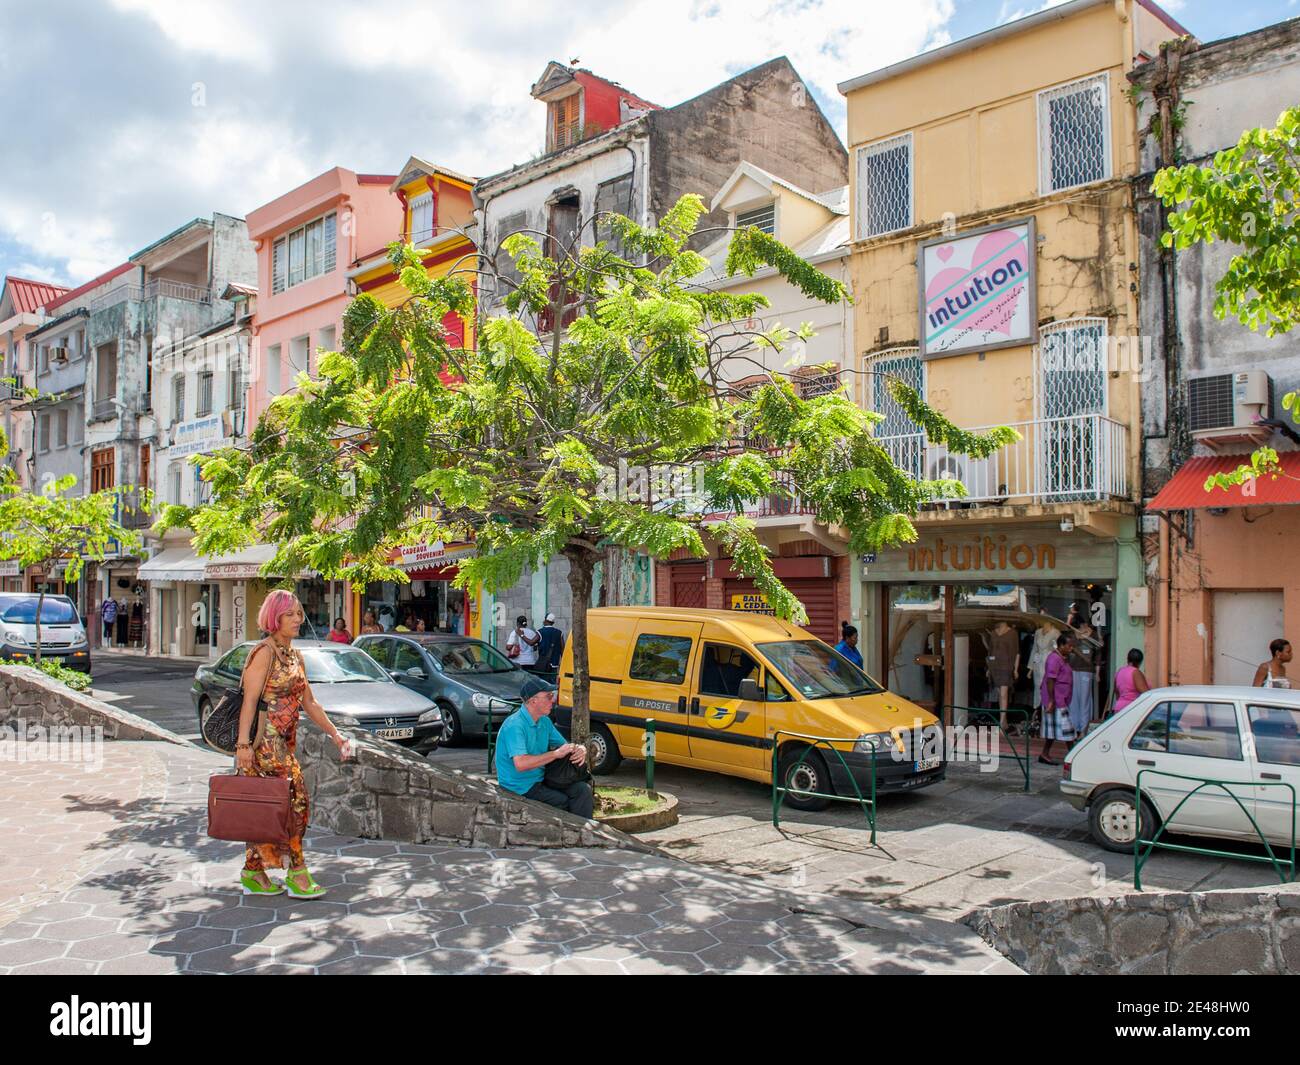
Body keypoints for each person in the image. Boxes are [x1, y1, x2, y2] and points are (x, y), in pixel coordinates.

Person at [235, 590, 349, 899]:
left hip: (286, 742)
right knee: (297, 803)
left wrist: (335, 734)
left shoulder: (295, 655)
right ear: (275, 618)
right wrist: (243, 746)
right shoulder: (264, 653)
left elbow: (309, 703)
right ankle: (297, 872)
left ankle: (253, 871)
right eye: (290, 614)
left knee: (271, 810)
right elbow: (249, 702)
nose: (298, 619)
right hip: (264, 746)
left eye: (299, 613)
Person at [494, 676, 592, 818]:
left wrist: (580, 749)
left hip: (542, 778)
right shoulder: (515, 725)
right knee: (562, 801)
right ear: (533, 701)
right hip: (520, 787)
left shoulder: (544, 721)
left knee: (583, 790)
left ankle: (586, 835)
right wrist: (554, 754)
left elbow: (565, 746)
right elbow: (521, 764)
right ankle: (573, 835)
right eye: (548, 696)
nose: (553, 700)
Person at [1039, 632, 1075, 766]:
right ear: (1061, 645)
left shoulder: (1063, 658)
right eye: (1069, 646)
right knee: (1067, 728)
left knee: (1052, 728)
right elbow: (1050, 680)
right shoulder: (1054, 659)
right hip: (1055, 699)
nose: (1071, 649)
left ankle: (1045, 753)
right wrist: (1051, 700)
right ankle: (1073, 754)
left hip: (1061, 698)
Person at [986, 619, 1020, 734]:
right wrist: (988, 668)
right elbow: (990, 651)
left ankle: (1001, 723)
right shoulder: (993, 633)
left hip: (1007, 667)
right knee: (1000, 695)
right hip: (995, 667)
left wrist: (1015, 669)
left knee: (1003, 693)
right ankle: (1004, 721)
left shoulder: (1013, 633)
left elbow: (1017, 652)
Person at [1067, 621, 1099, 736]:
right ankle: (1074, 728)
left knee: (1084, 700)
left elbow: (1098, 654)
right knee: (1074, 700)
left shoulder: (1093, 635)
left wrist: (1098, 672)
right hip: (1073, 669)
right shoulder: (1072, 635)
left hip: (1086, 670)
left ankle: (1084, 730)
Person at [1111, 648, 1150, 716]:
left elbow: (1117, 692)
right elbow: (1146, 693)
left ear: (1127, 659)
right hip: (1131, 708)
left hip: (1119, 707)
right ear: (1140, 661)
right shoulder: (1136, 673)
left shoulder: (1119, 671)